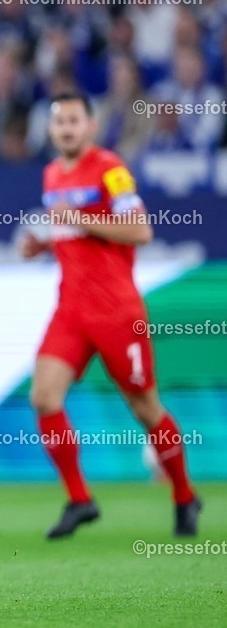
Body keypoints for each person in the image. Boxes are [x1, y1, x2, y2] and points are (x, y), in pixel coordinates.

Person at [19, 92, 200, 540]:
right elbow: (72, 233)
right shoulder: (52, 173)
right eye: (59, 121)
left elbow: (140, 230)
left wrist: (79, 217)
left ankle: (184, 495)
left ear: (91, 126)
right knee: (44, 398)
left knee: (145, 408)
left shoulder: (111, 170)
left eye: (74, 121)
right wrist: (45, 243)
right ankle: (80, 500)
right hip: (71, 310)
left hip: (117, 312)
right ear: (50, 129)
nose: (66, 128)